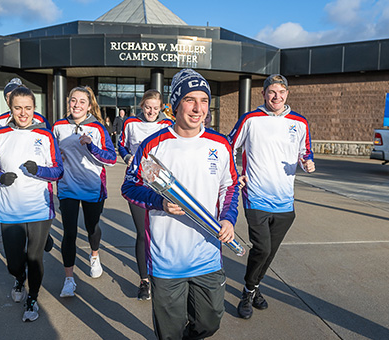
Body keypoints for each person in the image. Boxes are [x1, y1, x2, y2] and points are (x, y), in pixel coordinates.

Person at [122, 69, 239, 339]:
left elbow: (229, 185)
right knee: (169, 332)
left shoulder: (220, 144)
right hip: (167, 259)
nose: (198, 108)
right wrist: (160, 202)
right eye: (189, 99)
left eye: (204, 100)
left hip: (207, 254)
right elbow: (130, 186)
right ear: (174, 105)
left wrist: (228, 218)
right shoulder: (154, 145)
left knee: (209, 323)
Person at [228, 74, 315, 320]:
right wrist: (235, 175)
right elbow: (229, 147)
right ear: (264, 94)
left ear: (287, 94)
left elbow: (305, 150)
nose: (277, 97)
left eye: (282, 92)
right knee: (262, 248)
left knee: (270, 251)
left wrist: (307, 161)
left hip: (285, 199)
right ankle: (247, 293)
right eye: (272, 92)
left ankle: (253, 289)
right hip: (256, 196)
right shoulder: (251, 119)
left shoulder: (299, 122)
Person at [0, 86, 63, 322]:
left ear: (34, 109)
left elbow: (58, 170)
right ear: (11, 108)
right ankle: (18, 278)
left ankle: (33, 297)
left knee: (34, 257)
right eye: (18, 108)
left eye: (28, 108)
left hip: (39, 207)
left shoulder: (46, 135)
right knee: (14, 262)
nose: (23, 113)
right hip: (10, 209)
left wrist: (39, 170)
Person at [52, 86, 117, 298]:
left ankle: (94, 255)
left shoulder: (98, 128)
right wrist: (56, 156)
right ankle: (69, 279)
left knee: (92, 228)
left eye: (82, 101)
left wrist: (91, 147)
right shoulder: (59, 127)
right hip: (67, 187)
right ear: (68, 102)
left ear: (89, 106)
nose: (77, 105)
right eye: (73, 100)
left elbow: (111, 158)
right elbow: (50, 154)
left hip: (92, 186)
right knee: (69, 232)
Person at [117, 89, 174, 300]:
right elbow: (121, 144)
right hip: (137, 185)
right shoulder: (130, 123)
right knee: (142, 233)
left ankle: (163, 276)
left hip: (160, 186)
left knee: (162, 233)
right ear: (142, 105)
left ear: (161, 108)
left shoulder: (167, 124)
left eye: (156, 108)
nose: (151, 111)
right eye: (148, 107)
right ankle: (144, 281)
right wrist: (127, 157)